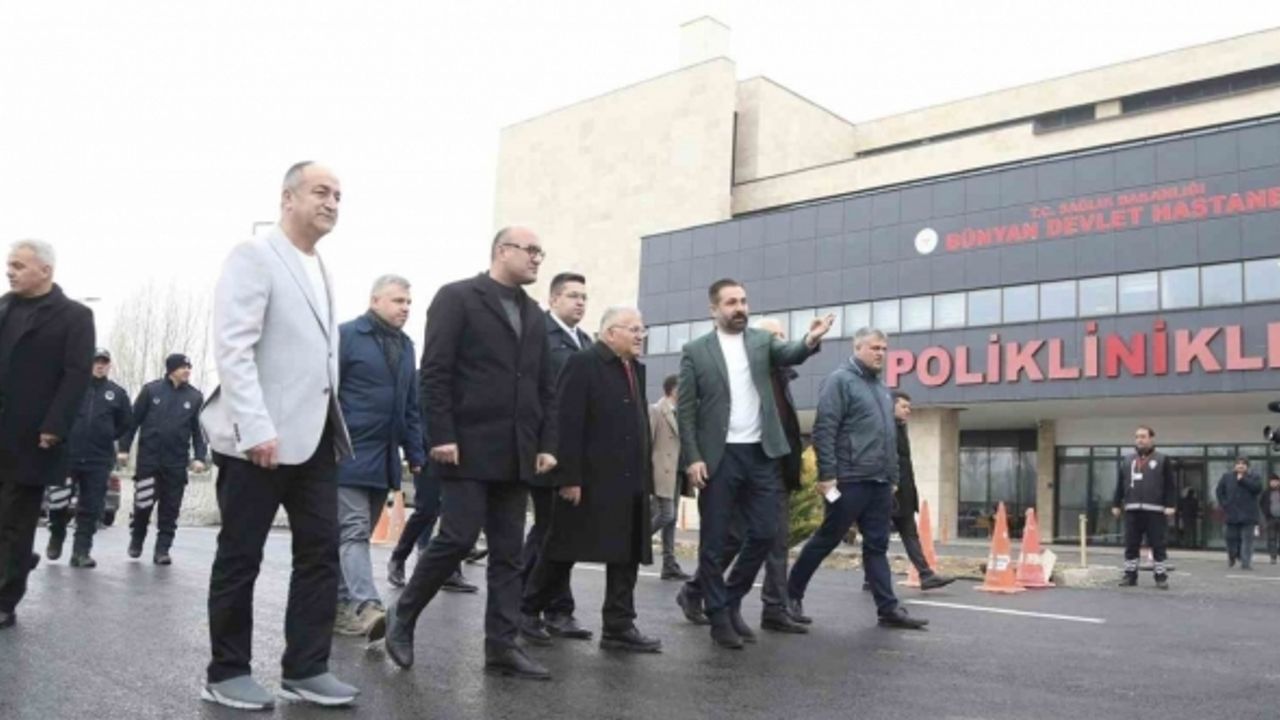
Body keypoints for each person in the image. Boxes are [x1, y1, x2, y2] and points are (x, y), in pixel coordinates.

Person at [200, 161, 359, 709]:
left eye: (338, 195)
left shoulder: (322, 267)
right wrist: (255, 426)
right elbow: (234, 348)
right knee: (240, 555)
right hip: (258, 443)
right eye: (321, 192)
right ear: (287, 198)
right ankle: (225, 672)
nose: (332, 202)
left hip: (314, 439)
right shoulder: (255, 255)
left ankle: (306, 668)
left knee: (320, 553)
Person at [384, 226, 558, 680]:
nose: (537, 259)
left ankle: (501, 646)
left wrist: (546, 443)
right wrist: (441, 434)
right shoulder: (458, 297)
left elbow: (544, 385)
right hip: (466, 445)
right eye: (530, 250)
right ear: (502, 251)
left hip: (517, 451)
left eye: (540, 252)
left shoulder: (534, 314)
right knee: (458, 538)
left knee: (508, 553)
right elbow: (435, 371)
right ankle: (403, 614)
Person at [675, 278, 832, 649]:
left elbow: (790, 352)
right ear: (714, 309)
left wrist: (810, 339)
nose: (740, 308)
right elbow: (686, 410)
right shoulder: (695, 351)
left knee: (764, 533)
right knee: (715, 542)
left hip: (761, 454)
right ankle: (718, 617)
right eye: (731, 302)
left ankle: (729, 598)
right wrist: (693, 457)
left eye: (743, 301)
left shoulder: (762, 342)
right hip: (719, 457)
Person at [522, 307, 662, 653]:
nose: (640, 336)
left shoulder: (635, 368)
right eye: (633, 329)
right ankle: (527, 611)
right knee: (562, 549)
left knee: (627, 553)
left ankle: (619, 625)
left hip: (628, 480)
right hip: (587, 479)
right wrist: (568, 477)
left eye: (642, 329)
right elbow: (566, 421)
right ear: (610, 333)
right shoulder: (583, 363)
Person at [786, 327, 928, 630]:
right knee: (827, 539)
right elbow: (824, 430)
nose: (881, 354)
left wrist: (892, 477)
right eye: (874, 348)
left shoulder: (882, 388)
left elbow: (889, 437)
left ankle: (888, 609)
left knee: (877, 546)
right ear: (858, 348)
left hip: (879, 482)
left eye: (884, 349)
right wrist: (828, 475)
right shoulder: (839, 381)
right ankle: (791, 596)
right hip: (849, 479)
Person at [0, 240, 94, 629]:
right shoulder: (4, 307)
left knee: (15, 519)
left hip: (32, 436)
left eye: (18, 265)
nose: (10, 271)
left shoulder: (74, 316)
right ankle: (19, 561)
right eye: (9, 265)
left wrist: (55, 425)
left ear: (45, 270)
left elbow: (76, 375)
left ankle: (5, 598)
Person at [333, 275, 426, 638]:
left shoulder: (406, 346)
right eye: (398, 301)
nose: (405, 308)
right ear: (375, 301)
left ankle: (338, 608)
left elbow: (410, 406)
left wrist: (415, 452)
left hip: (384, 457)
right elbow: (326, 392)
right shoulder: (347, 336)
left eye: (408, 302)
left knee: (354, 536)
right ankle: (366, 605)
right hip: (346, 452)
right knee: (354, 530)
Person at [519, 271, 592, 642]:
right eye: (572, 296)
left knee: (562, 532)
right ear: (553, 300)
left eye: (584, 297)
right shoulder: (541, 337)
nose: (580, 302)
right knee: (551, 532)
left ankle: (554, 607)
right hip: (548, 451)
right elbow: (537, 397)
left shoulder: (585, 340)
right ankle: (528, 605)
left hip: (576, 452)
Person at [45, 347, 132, 568]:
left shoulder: (117, 394)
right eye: (96, 361)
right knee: (58, 501)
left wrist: (107, 435)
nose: (100, 365)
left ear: (109, 365)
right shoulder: (71, 389)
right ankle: (57, 533)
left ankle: (81, 552)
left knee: (91, 508)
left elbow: (125, 423)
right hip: (67, 456)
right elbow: (55, 414)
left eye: (104, 362)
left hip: (98, 459)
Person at [122, 352, 207, 564]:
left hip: (176, 464)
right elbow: (132, 422)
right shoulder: (151, 391)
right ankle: (137, 539)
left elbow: (199, 432)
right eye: (183, 367)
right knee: (143, 505)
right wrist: (123, 449)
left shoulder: (195, 398)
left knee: (170, 510)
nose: (187, 371)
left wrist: (199, 457)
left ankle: (162, 550)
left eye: (189, 367)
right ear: (171, 370)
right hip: (149, 462)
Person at [889, 391, 954, 591]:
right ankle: (871, 578)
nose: (908, 410)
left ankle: (926, 575)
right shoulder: (885, 429)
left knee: (910, 535)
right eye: (904, 406)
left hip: (905, 494)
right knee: (877, 538)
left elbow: (904, 464)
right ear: (890, 406)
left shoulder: (900, 428)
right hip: (888, 493)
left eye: (909, 407)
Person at [386, 471, 480, 594]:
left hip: (459, 467)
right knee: (426, 510)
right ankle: (398, 557)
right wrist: (415, 460)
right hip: (428, 464)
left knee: (453, 511)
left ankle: (451, 571)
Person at [1111, 426, 1176, 589]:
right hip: (1132, 509)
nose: (1139, 440)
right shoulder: (1128, 460)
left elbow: (1170, 485)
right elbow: (1120, 483)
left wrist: (1170, 505)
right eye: (1137, 437)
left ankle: (1160, 576)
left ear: (1151, 439)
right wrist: (1116, 503)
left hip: (1155, 510)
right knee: (1131, 544)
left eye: (1143, 436)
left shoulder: (1162, 459)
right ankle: (1130, 575)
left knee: (1158, 544)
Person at [648, 374, 690, 581]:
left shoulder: (681, 412)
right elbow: (648, 442)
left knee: (671, 521)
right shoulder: (657, 410)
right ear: (674, 389)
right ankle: (634, 543)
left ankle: (669, 565)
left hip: (678, 472)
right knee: (667, 515)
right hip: (662, 472)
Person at [1215, 457, 1262, 570]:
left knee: (1247, 541)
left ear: (1247, 466)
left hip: (1249, 515)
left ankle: (1246, 563)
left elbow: (1257, 489)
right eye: (1238, 464)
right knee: (1230, 538)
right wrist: (1224, 504)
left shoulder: (1254, 477)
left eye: (1243, 464)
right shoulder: (1227, 477)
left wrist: (1242, 480)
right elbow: (1219, 491)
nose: (1240, 466)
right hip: (1232, 514)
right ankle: (1232, 556)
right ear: (1235, 466)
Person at [1262, 473, 1280, 565]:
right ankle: (1273, 556)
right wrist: (1266, 512)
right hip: (1271, 518)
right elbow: (1261, 503)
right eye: (1272, 481)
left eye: (1276, 481)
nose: (1274, 483)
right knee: (1271, 538)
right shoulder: (1266, 493)